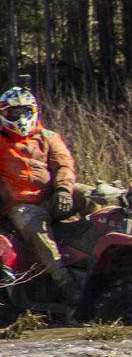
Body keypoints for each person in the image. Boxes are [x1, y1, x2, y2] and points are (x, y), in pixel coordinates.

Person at [0, 86, 82, 302]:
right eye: (13, 113)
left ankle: (96, 253)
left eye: (25, 112)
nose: (20, 118)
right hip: (21, 204)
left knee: (96, 196)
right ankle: (67, 284)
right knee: (40, 233)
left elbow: (64, 165)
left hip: (52, 196)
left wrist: (64, 190)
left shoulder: (49, 137)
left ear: (33, 111)